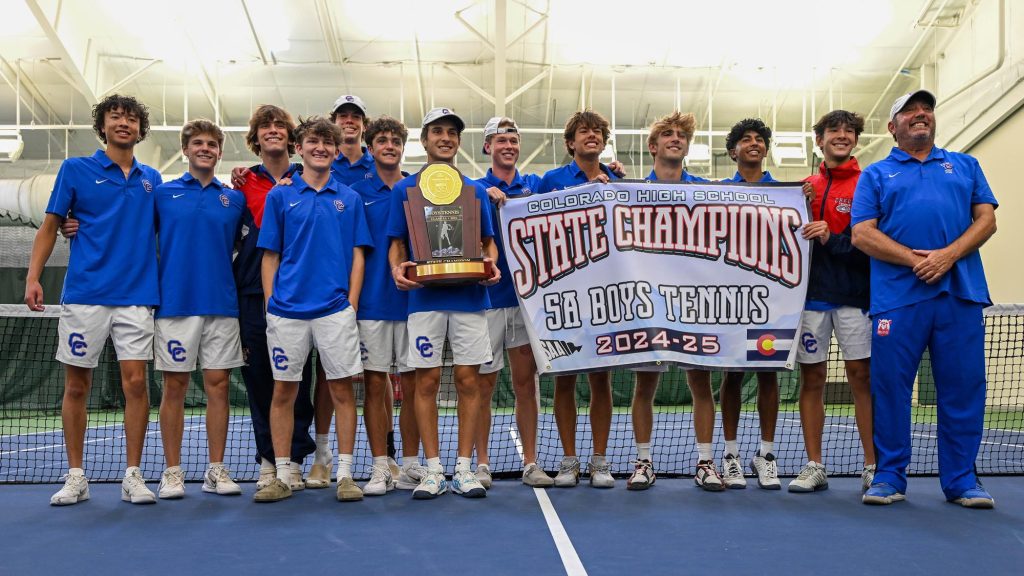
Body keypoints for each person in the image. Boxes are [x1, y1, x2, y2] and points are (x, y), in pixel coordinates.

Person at [852, 90, 998, 508]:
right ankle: (889, 477)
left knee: (963, 388)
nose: (920, 115)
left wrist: (948, 256)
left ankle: (962, 482)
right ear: (892, 127)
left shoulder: (966, 165)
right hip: (897, 300)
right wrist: (916, 262)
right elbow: (862, 233)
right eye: (909, 112)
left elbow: (986, 219)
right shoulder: (877, 174)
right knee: (890, 388)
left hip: (961, 294)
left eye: (926, 110)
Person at [25, 94, 162, 505]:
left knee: (136, 383)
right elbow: (51, 226)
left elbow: (177, 221)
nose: (124, 123)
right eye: (115, 117)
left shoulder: (152, 178)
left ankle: (133, 476)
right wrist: (33, 276)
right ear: (102, 126)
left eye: (132, 118)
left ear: (141, 129)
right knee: (77, 385)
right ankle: (76, 476)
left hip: (136, 296)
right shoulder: (75, 169)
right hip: (85, 295)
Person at [253, 116, 373, 503]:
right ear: (299, 148)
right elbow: (269, 256)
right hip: (287, 312)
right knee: (284, 392)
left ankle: (344, 475)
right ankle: (284, 474)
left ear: (337, 151)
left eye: (328, 142)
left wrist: (351, 303)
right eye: (313, 141)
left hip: (335, 310)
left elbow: (358, 255)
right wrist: (273, 304)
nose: (320, 147)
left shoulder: (349, 199)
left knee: (341, 391)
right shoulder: (280, 195)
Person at [387, 107, 501, 499]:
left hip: (470, 299)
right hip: (425, 302)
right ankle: (433, 470)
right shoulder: (405, 190)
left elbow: (488, 242)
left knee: (470, 381)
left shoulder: (475, 190)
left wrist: (491, 265)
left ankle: (465, 469)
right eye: (437, 131)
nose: (445, 137)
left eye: (452, 132)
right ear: (425, 140)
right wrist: (397, 271)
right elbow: (396, 244)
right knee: (427, 381)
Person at [153, 119, 245, 499]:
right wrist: (72, 225)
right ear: (187, 149)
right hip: (175, 305)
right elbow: (128, 229)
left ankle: (216, 469)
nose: (205, 148)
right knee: (174, 386)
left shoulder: (234, 199)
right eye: (197, 143)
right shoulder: (161, 194)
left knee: (218, 387)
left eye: (212, 144)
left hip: (222, 306)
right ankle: (172, 471)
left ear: (220, 152)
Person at [788, 110, 875, 493]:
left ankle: (874, 466)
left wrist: (831, 238)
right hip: (811, 300)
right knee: (813, 379)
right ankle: (814, 465)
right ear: (819, 140)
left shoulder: (869, 183)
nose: (842, 135)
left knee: (862, 378)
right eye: (833, 130)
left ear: (855, 139)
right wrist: (799, 207)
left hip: (856, 298)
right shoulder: (803, 187)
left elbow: (873, 245)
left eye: (849, 130)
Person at [233, 105, 317, 491]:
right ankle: (268, 460)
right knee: (261, 382)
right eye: (264, 126)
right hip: (252, 295)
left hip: (302, 296)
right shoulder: (242, 183)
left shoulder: (310, 178)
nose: (272, 131)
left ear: (292, 138)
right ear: (256, 137)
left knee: (297, 382)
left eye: (279, 125)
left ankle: (295, 459)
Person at [537, 110, 619, 489]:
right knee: (565, 380)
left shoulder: (619, 179)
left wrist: (611, 189)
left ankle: (599, 461)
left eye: (597, 131)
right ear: (570, 142)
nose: (592, 136)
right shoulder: (549, 181)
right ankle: (569, 460)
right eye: (583, 131)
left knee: (601, 380)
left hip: (607, 297)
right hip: (563, 297)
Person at [474, 116, 554, 488]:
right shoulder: (472, 187)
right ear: (488, 147)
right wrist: (481, 196)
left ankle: (531, 462)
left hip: (527, 303)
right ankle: (482, 464)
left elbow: (577, 192)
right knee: (483, 386)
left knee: (526, 383)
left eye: (513, 139)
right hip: (487, 300)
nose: (508, 145)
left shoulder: (536, 186)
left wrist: (608, 174)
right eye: (500, 140)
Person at [635, 111, 710, 491]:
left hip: (692, 302)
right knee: (644, 384)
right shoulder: (628, 191)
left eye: (681, 135)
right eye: (667, 134)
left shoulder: (707, 191)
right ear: (653, 146)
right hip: (646, 304)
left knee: (701, 381)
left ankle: (706, 462)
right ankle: (644, 461)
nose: (675, 138)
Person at [349, 115, 421, 495]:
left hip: (415, 305)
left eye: (396, 140)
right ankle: (381, 466)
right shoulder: (356, 192)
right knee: (375, 387)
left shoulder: (419, 189)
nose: (389, 145)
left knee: (412, 388)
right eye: (382, 140)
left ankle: (410, 465)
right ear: (370, 146)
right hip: (372, 307)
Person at [713, 118, 781, 490]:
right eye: (745, 139)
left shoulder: (787, 192)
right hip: (730, 301)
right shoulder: (720, 192)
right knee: (732, 376)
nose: (754, 143)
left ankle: (766, 455)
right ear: (733, 151)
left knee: (769, 373)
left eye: (760, 139)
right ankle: (731, 454)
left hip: (773, 299)